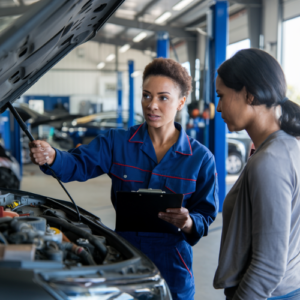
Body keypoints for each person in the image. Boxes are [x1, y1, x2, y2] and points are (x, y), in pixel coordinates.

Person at [29, 58, 219, 300]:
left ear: (181, 102)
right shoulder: (116, 143)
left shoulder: (200, 158)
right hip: (125, 255)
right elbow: (77, 164)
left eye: (163, 97)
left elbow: (206, 213)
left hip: (173, 260)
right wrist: (52, 156)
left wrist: (189, 222)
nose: (152, 105)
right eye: (146, 95)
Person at [213, 48, 300, 300]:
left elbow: (268, 267)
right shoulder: (288, 145)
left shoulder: (271, 160)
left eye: (222, 96)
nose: (218, 107)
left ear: (249, 95)